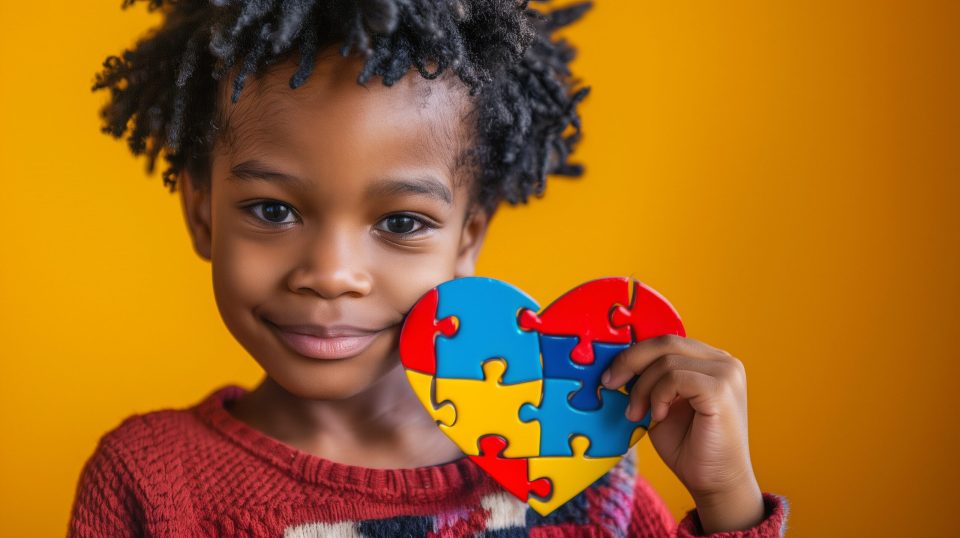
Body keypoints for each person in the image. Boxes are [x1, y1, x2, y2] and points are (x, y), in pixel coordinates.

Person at [68, 0, 788, 536]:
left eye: (401, 223)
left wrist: (729, 500)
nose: (332, 273)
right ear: (200, 212)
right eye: (273, 211)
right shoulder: (151, 482)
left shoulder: (576, 469)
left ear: (468, 238)